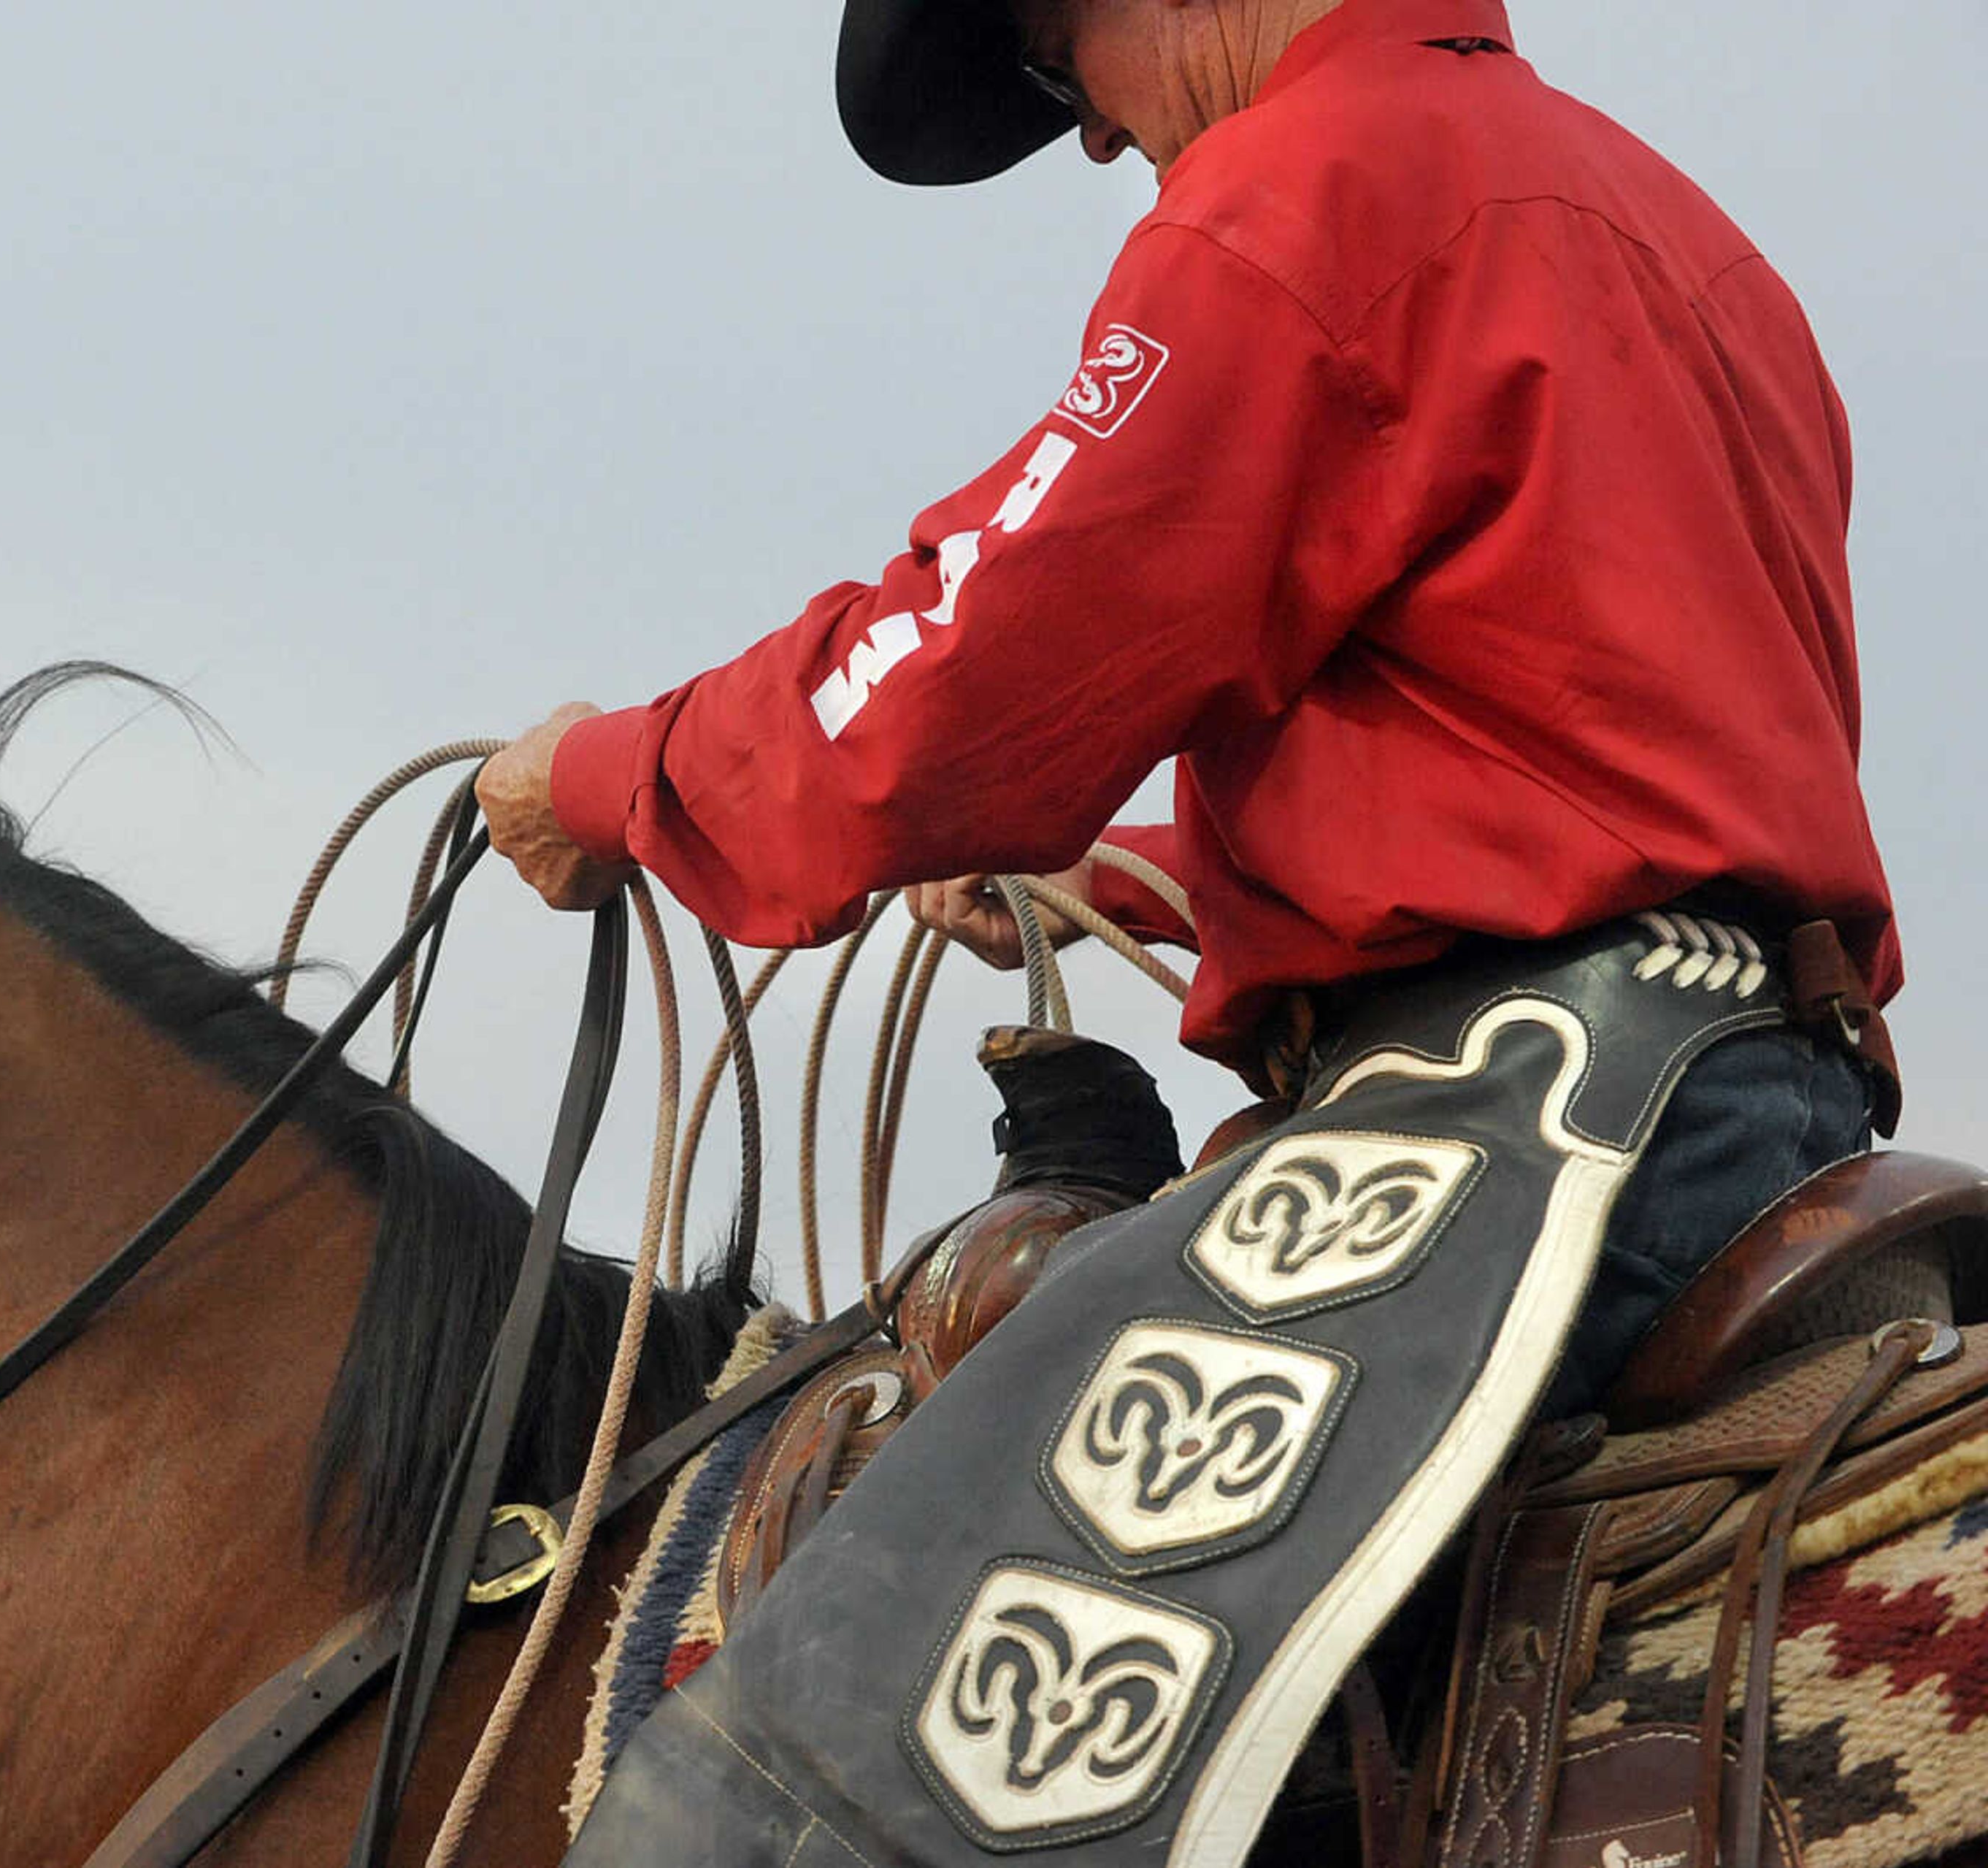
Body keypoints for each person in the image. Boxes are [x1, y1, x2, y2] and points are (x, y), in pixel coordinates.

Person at [475, 1, 1906, 1863]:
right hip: (1759, 1097)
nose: (1087, 143)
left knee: (848, 1730)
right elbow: (1595, 743)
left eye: (1063, 67)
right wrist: (1149, 872)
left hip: (1533, 1131)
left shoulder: (1300, 192)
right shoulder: (1692, 243)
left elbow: (940, 695)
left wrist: (600, 776)